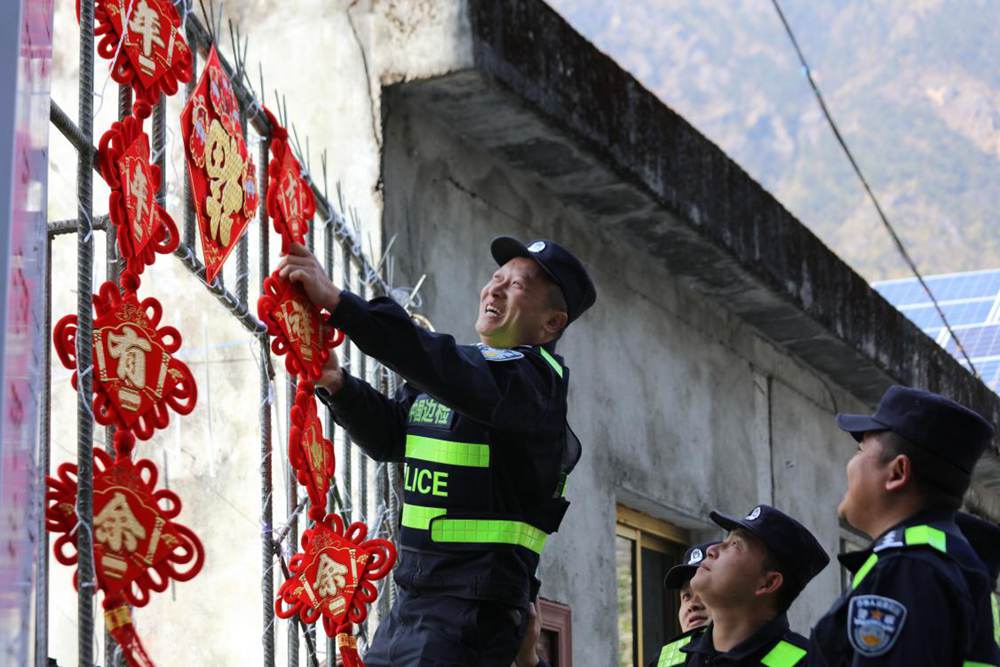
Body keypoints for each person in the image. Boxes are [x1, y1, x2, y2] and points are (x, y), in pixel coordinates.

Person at [277, 236, 596, 666]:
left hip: (473, 611)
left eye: (517, 285)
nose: (494, 290)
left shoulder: (532, 386)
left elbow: (435, 362)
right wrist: (337, 384)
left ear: (551, 323)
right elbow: (392, 436)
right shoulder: (469, 372)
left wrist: (338, 302)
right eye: (496, 278)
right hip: (413, 602)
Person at [809, 385, 1000, 665]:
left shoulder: (908, 568)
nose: (850, 465)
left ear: (897, 472)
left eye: (860, 451)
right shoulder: (940, 559)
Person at [658, 504, 829, 666]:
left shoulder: (805, 663)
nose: (711, 550)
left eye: (735, 545)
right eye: (725, 540)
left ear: (768, 583)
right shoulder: (671, 660)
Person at [649, 542, 716, 667]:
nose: (692, 605)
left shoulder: (752, 647)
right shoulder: (665, 660)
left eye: (703, 591)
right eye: (686, 596)